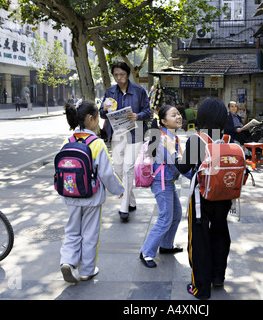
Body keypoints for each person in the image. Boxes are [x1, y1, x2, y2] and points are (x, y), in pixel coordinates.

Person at [165, 97, 233, 300]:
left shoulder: (197, 139)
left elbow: (183, 167)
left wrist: (171, 150)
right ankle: (218, 276)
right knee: (220, 232)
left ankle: (200, 289)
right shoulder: (228, 139)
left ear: (202, 116)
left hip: (202, 198)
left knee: (199, 240)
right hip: (224, 196)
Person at [59, 100, 124, 284]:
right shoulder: (96, 143)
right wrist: (118, 190)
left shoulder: (68, 141)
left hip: (70, 194)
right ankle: (87, 270)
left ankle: (68, 262)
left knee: (72, 231)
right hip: (91, 196)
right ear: (90, 119)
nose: (98, 121)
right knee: (90, 233)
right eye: (97, 117)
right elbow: (106, 173)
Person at [99, 61, 151, 221]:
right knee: (119, 169)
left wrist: (138, 116)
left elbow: (148, 111)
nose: (119, 78)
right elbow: (101, 114)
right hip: (117, 135)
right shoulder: (110, 92)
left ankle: (124, 207)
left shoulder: (138, 91)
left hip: (135, 135)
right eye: (116, 75)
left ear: (127, 74)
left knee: (128, 167)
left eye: (122, 74)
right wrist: (104, 110)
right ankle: (131, 200)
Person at [139, 105, 187, 268]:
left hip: (167, 181)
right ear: (164, 121)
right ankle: (146, 252)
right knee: (165, 217)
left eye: (179, 114)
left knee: (176, 213)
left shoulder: (169, 135)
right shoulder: (166, 139)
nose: (178, 117)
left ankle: (166, 245)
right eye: (174, 115)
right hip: (162, 182)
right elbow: (177, 164)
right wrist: (193, 173)